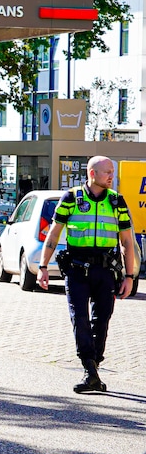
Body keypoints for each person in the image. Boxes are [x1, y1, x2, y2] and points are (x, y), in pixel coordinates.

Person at [37, 155, 138, 393]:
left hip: (106, 270)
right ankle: (89, 369)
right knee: (79, 318)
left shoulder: (117, 201)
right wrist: (43, 267)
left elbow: (126, 241)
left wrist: (130, 275)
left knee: (102, 320)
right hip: (77, 269)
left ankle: (93, 367)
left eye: (112, 172)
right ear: (92, 174)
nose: (111, 176)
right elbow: (53, 235)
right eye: (107, 172)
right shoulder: (71, 198)